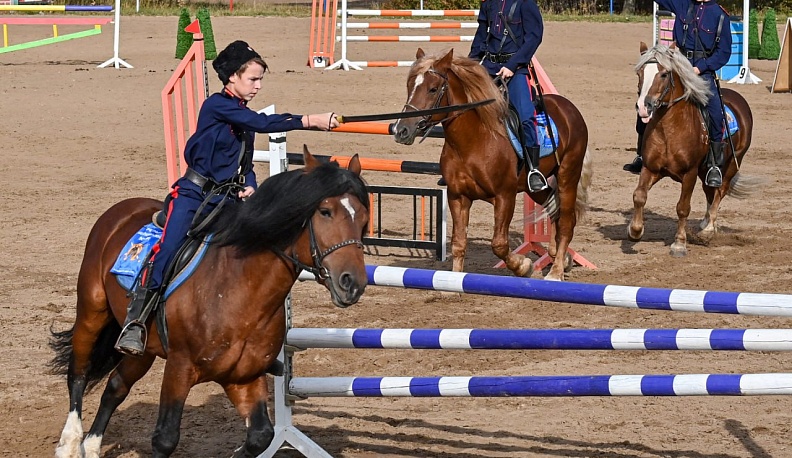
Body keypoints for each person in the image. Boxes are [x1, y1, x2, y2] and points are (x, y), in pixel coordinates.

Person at [115, 40, 339, 356]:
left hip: (228, 200)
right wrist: (309, 120)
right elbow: (263, 123)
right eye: (253, 79)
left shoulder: (243, 118)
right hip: (193, 195)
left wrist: (250, 184)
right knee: (168, 248)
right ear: (232, 77)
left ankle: (249, 340)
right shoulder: (216, 106)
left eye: (261, 80)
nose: (258, 86)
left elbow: (245, 166)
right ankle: (136, 320)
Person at [626, 0, 731, 188]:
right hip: (677, 64)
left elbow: (723, 52)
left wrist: (701, 68)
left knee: (715, 111)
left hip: (702, 70)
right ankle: (642, 154)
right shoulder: (682, 4)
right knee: (647, 102)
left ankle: (714, 164)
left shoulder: (720, 15)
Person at [460, 0, 547, 192]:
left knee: (525, 116)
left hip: (515, 69)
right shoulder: (488, 4)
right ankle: (459, 164)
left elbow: (533, 38)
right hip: (488, 67)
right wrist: (470, 66)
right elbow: (481, 37)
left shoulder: (526, 4)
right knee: (463, 109)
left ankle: (534, 169)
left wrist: (513, 65)